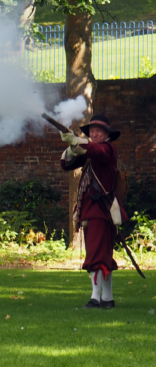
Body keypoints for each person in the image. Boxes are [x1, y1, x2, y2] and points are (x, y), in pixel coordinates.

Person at [60, 114, 127, 309]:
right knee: (102, 255)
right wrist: (72, 147)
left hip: (101, 210)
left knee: (97, 256)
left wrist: (78, 140)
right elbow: (66, 164)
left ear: (107, 134)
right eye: (92, 131)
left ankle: (95, 298)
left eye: (99, 130)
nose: (94, 133)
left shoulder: (107, 149)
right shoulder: (91, 152)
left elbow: (97, 151)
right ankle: (107, 298)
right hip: (93, 211)